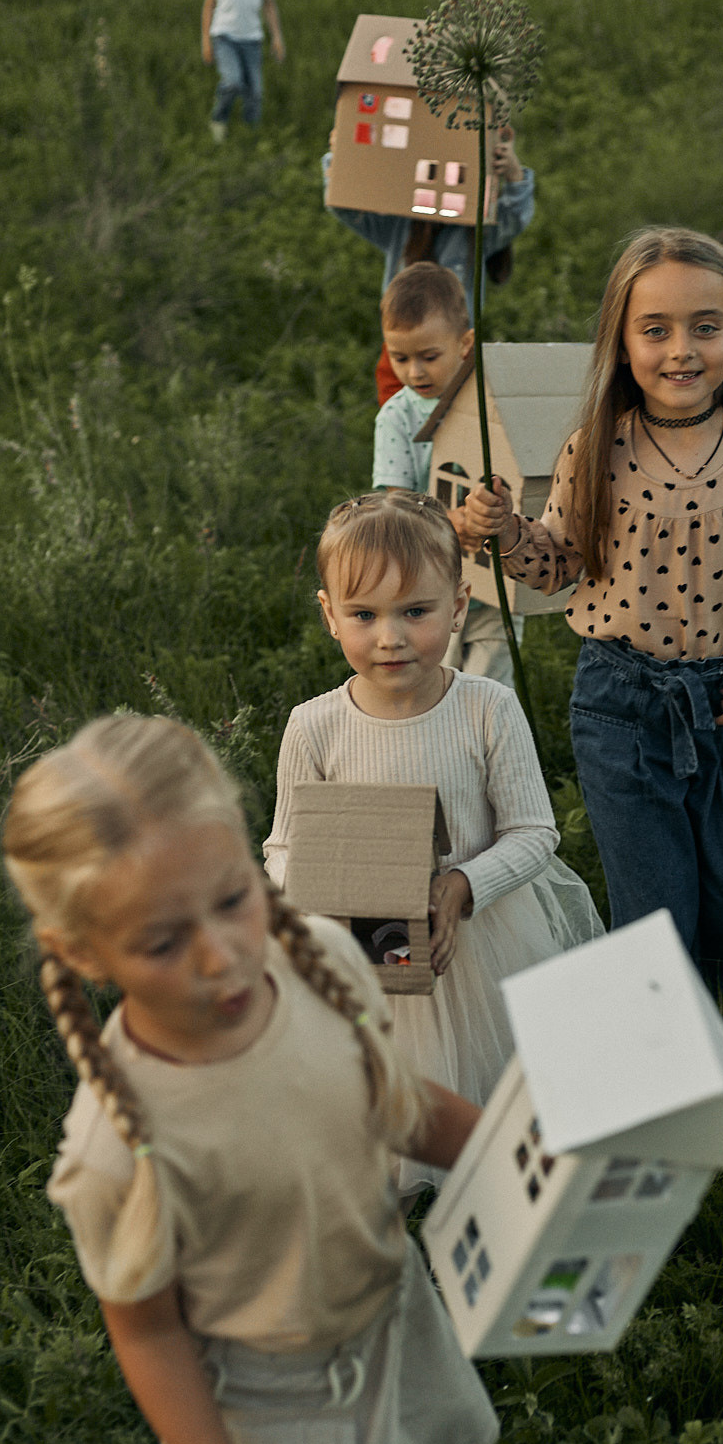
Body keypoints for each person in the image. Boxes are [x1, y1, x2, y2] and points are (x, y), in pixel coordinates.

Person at [4, 714, 497, 1444]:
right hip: (275, 1405)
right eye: (163, 942)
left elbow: (401, 1102)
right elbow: (150, 1334)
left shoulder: (321, 965)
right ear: (83, 953)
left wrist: (529, 1154)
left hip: (391, 1301)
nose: (224, 956)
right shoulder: (116, 1148)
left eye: (233, 900)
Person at [462, 226, 723, 984]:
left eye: (705, 328)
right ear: (622, 342)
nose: (682, 350)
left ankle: (706, 979)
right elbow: (559, 565)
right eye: (656, 330)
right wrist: (506, 531)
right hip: (621, 701)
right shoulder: (595, 449)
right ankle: (672, 1032)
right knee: (655, 912)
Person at [263, 492, 602, 1196]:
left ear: (458, 605)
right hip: (370, 937)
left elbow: (534, 832)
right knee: (385, 1079)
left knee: (500, 1089)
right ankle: (406, 1169)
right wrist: (324, 900)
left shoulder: (485, 707)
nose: (390, 637)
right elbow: (284, 847)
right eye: (364, 615)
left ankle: (501, 1171)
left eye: (415, 612)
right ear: (330, 614)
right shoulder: (315, 727)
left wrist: (460, 886)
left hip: (480, 934)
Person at [374, 261, 521, 686]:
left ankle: (490, 753)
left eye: (428, 356)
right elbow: (396, 507)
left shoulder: (488, 403)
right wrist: (448, 522)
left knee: (491, 691)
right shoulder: (396, 418)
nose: (414, 372)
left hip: (494, 588)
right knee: (443, 689)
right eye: (399, 358)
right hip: (430, 593)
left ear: (464, 344)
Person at [322, 125, 535, 404]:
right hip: (402, 350)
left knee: (456, 433)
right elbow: (344, 203)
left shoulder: (476, 233)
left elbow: (515, 217)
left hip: (452, 355)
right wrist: (341, 155)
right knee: (400, 429)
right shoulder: (402, 228)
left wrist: (514, 174)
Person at [202, 0, 285, 144]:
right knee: (232, 81)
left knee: (255, 91)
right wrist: (206, 41)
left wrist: (276, 37)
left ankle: (251, 136)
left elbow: (268, 5)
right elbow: (209, 6)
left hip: (252, 38)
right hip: (224, 36)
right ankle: (219, 120)